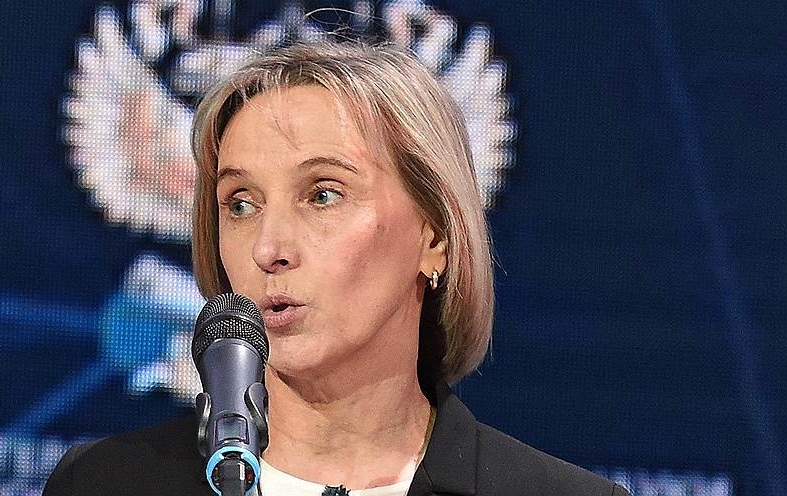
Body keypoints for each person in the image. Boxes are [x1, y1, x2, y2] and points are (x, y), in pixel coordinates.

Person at [44, 41, 630, 496]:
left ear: (434, 237)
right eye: (240, 204)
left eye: (323, 195)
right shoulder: (105, 485)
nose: (268, 248)